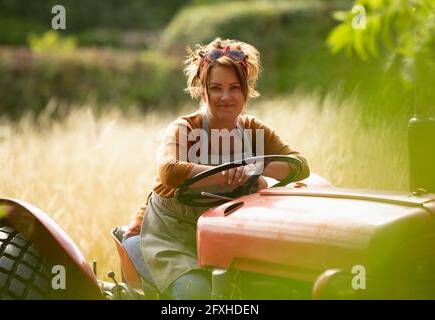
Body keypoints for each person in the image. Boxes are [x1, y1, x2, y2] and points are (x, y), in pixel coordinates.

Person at [122, 38, 310, 299]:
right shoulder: (185, 128)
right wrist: (226, 173)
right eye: (216, 88)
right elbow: (170, 171)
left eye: (234, 87)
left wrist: (254, 168)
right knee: (196, 293)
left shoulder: (254, 130)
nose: (225, 97)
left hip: (221, 238)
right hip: (167, 238)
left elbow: (299, 166)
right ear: (203, 91)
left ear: (246, 90)